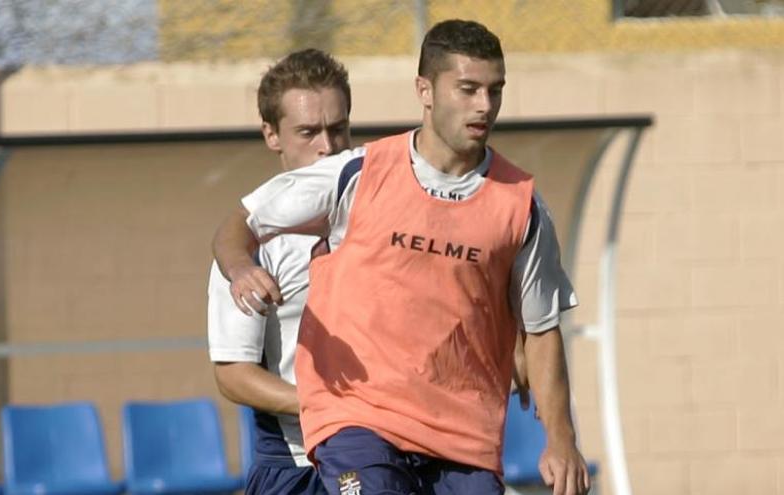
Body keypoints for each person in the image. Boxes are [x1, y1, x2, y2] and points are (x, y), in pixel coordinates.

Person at [213, 19, 589, 495]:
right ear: (424, 91)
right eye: (468, 89)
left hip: (460, 435)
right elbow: (241, 223)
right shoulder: (356, 175)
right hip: (355, 429)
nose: (484, 105)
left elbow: (540, 329)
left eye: (495, 91)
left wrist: (561, 438)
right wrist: (241, 266)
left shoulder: (522, 206)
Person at [207, 48, 351, 495]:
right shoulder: (252, 244)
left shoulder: (382, 207)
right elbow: (233, 375)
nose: (327, 146)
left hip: (394, 452)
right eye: (308, 132)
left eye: (338, 128)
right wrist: (331, 406)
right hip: (298, 465)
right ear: (272, 135)